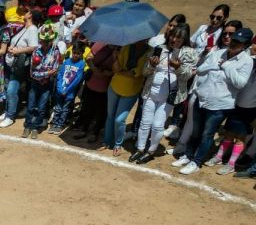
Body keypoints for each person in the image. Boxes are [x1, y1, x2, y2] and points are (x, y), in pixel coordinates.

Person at [173, 28, 254, 175]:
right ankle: (188, 155)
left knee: (207, 134)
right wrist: (214, 66)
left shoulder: (246, 61)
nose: (233, 43)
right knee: (196, 132)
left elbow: (240, 83)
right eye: (233, 39)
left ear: (246, 45)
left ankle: (196, 162)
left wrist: (226, 66)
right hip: (201, 98)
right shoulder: (218, 53)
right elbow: (200, 69)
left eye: (238, 42)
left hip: (220, 105)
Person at [129, 24, 195, 165]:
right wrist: (152, 65)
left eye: (179, 37)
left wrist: (178, 68)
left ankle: (151, 151)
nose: (174, 39)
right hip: (151, 91)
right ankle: (140, 149)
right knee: (145, 122)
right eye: (173, 35)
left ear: (184, 39)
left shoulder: (189, 52)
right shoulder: (159, 49)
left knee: (158, 125)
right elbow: (146, 72)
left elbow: (187, 76)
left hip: (169, 96)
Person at [103, 41, 148, 156]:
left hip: (131, 91)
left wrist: (121, 71)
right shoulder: (126, 47)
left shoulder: (150, 52)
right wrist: (116, 58)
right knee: (110, 115)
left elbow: (136, 73)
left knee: (119, 119)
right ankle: (107, 140)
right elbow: (116, 69)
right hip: (114, 86)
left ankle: (118, 144)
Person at [0, 10, 39, 128]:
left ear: (30, 15)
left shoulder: (32, 29)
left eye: (27, 12)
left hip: (19, 65)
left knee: (11, 90)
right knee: (7, 88)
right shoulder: (24, 27)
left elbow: (34, 47)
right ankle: (7, 112)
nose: (24, 14)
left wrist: (17, 51)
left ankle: (10, 116)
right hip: (11, 62)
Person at [22, 21, 60, 139]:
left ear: (51, 41)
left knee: (42, 107)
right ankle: (27, 126)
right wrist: (46, 73)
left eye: (45, 41)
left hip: (47, 85)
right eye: (42, 41)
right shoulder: (36, 51)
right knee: (31, 106)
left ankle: (35, 127)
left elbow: (54, 70)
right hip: (35, 83)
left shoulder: (56, 51)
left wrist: (42, 72)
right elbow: (32, 73)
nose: (42, 43)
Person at [70, 38, 113, 143]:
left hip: (106, 86)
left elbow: (119, 69)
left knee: (101, 111)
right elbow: (89, 58)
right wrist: (95, 70)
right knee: (87, 107)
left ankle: (95, 132)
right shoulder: (101, 43)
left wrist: (108, 73)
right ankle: (84, 129)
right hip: (92, 82)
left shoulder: (120, 50)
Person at [49, 40, 86, 135]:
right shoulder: (66, 62)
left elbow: (77, 80)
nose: (75, 55)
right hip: (60, 90)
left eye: (78, 53)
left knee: (65, 109)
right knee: (57, 108)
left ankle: (60, 124)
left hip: (69, 93)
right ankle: (54, 124)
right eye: (74, 53)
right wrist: (60, 88)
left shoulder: (81, 64)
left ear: (82, 54)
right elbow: (60, 75)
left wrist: (67, 90)